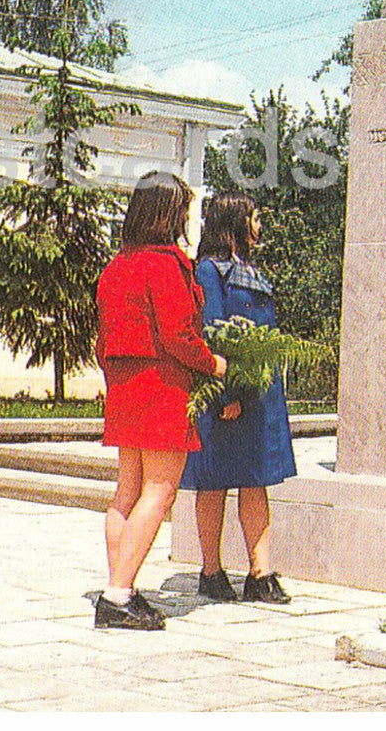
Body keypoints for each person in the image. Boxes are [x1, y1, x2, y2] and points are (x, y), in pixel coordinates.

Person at [94, 170, 228, 630]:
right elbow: (179, 333)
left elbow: (103, 338)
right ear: (169, 214)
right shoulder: (165, 266)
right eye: (184, 212)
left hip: (124, 385)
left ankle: (121, 588)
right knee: (160, 490)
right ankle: (117, 596)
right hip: (162, 384)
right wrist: (212, 364)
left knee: (127, 491)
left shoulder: (116, 267)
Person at [181, 192, 298, 605]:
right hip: (224, 398)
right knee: (212, 483)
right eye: (254, 218)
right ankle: (210, 572)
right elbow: (211, 330)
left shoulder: (250, 270)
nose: (259, 226)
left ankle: (259, 573)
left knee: (256, 481)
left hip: (259, 396)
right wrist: (226, 393)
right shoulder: (210, 273)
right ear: (233, 224)